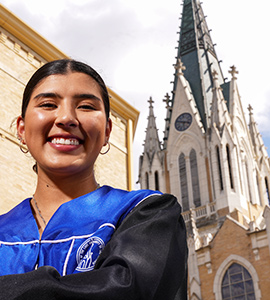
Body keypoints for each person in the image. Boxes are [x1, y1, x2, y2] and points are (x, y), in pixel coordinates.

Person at [0, 59, 187, 299]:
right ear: (22, 130)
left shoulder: (147, 214)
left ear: (107, 131)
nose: (66, 118)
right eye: (48, 104)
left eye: (86, 107)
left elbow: (126, 291)